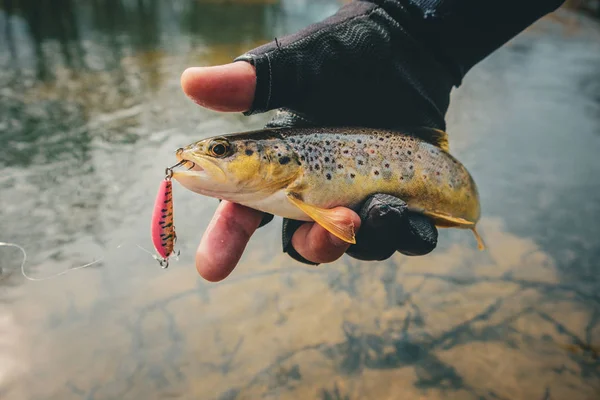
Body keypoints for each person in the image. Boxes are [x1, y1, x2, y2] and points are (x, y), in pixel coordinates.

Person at [180, 0, 566, 282]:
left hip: (447, 176)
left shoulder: (293, 183)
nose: (206, 156)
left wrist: (409, 22)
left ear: (278, 157)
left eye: (220, 150)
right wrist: (412, 23)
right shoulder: (280, 185)